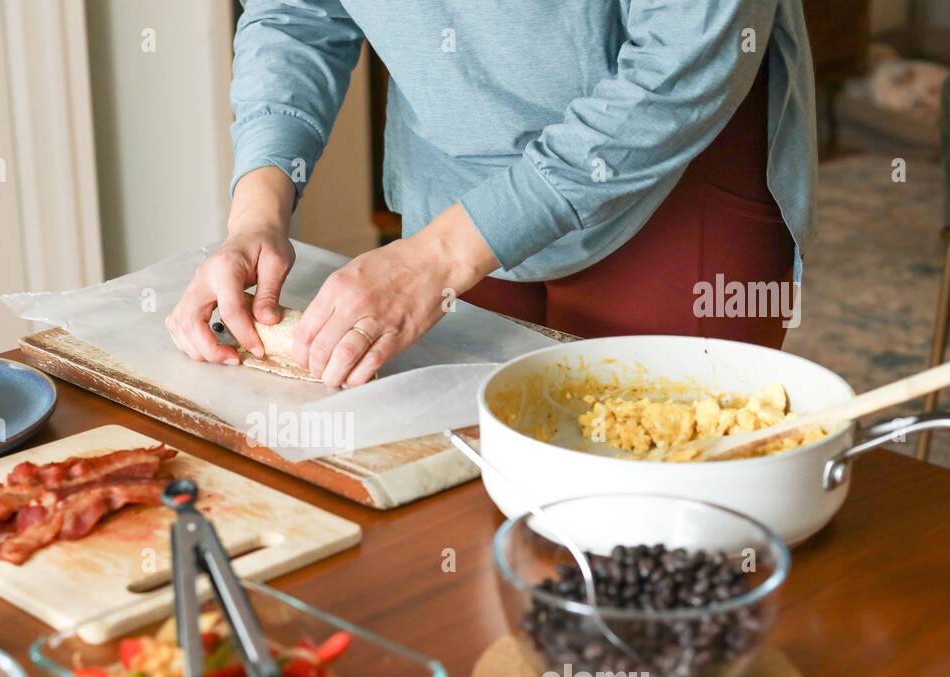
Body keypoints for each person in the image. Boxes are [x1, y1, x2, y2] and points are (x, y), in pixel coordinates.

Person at [167, 0, 817, 388]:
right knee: (462, 511)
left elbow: (689, 56)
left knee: (662, 509)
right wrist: (257, 208)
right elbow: (295, 14)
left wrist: (435, 261)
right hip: (449, 177)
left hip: (668, 173)